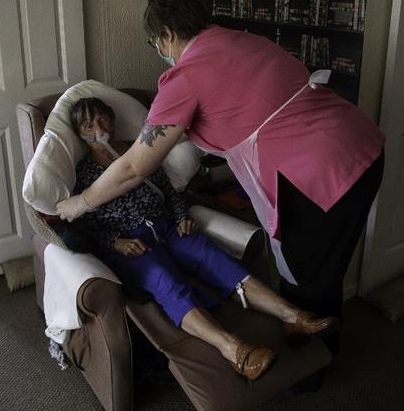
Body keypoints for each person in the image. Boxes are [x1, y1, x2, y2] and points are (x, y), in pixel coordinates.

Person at [57, 0, 385, 358]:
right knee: (326, 269)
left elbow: (135, 167)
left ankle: (309, 375)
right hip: (363, 147)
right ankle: (311, 351)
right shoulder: (247, 41)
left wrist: (80, 202)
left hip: (319, 173)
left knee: (309, 278)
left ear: (167, 35)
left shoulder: (186, 75)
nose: (162, 53)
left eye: (157, 44)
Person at [64, 97, 339, 382]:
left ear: (111, 118)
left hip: (168, 227)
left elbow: (170, 193)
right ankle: (235, 352)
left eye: (102, 119)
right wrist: (114, 243)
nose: (98, 128)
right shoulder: (83, 174)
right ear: (80, 133)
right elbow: (84, 224)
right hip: (131, 244)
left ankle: (293, 318)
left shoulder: (137, 152)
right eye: (88, 125)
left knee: (212, 257)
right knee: (164, 280)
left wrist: (182, 216)